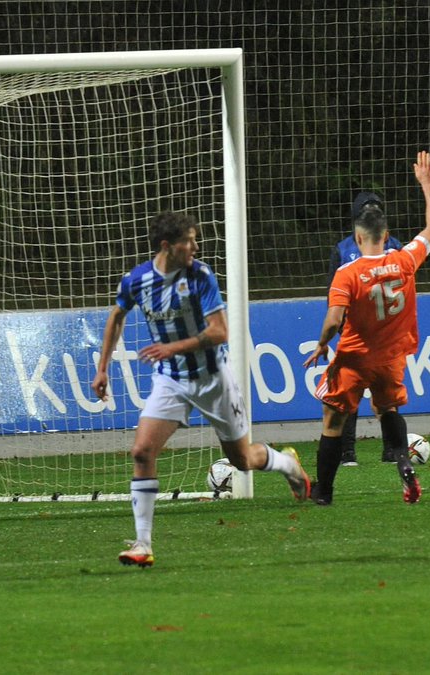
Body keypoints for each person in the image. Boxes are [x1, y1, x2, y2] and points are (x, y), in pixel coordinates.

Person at [92, 210, 311, 567]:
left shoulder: (200, 276)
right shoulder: (137, 281)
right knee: (142, 452)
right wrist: (102, 368)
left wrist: (172, 347)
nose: (195, 246)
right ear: (168, 246)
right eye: (188, 241)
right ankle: (143, 545)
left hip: (213, 378)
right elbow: (116, 316)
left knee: (242, 460)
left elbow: (220, 331)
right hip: (171, 380)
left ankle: (287, 464)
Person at [302, 151, 430, 506]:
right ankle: (403, 466)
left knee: (332, 420)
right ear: (387, 234)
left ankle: (324, 491)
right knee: (388, 411)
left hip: (354, 358)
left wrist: (321, 344)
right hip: (391, 358)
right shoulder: (404, 259)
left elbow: (334, 320)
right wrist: (427, 185)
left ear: (357, 235)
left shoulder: (347, 273)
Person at [328, 191, 403, 467]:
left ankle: (391, 450)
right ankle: (348, 452)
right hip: (358, 332)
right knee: (353, 394)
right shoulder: (343, 248)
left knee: (385, 396)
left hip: (384, 335)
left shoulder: (394, 245)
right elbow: (332, 293)